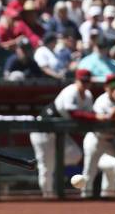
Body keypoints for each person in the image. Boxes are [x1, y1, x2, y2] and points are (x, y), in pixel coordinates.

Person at [30, 69, 92, 197]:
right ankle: (48, 196)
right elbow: (73, 113)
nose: (85, 84)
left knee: (75, 154)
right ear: (76, 80)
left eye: (87, 81)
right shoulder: (70, 91)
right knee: (46, 167)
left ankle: (53, 162)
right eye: (82, 81)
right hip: (43, 130)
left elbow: (88, 115)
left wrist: (94, 117)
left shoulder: (88, 96)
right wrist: (95, 118)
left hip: (59, 132)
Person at [81, 74, 115, 198]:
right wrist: (113, 117)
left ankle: (109, 195)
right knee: (89, 171)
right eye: (112, 86)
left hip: (110, 141)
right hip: (95, 139)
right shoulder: (101, 101)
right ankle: (85, 197)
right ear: (106, 88)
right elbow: (102, 123)